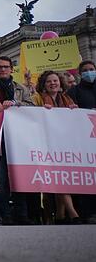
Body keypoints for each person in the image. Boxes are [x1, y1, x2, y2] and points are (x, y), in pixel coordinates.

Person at [0, 56, 34, 225]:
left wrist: (17, 104)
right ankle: (5, 215)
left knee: (20, 177)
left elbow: (32, 107)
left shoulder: (20, 88)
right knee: (0, 179)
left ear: (11, 69)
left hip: (17, 138)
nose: (3, 70)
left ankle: (22, 214)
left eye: (6, 67)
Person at [33, 71, 82, 224]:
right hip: (45, 145)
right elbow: (30, 115)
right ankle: (73, 214)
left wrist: (75, 111)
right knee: (58, 178)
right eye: (49, 82)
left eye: (55, 81)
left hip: (64, 145)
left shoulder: (67, 99)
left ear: (60, 83)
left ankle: (60, 216)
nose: (53, 83)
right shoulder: (37, 98)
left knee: (61, 178)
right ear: (44, 85)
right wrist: (41, 112)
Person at [67, 60, 96, 223]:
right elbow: (68, 111)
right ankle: (88, 212)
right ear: (79, 73)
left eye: (91, 69)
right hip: (85, 140)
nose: (89, 72)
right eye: (85, 70)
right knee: (88, 176)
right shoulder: (74, 91)